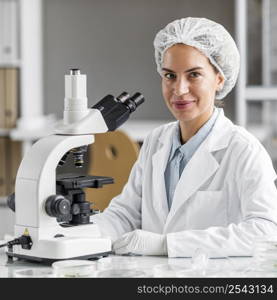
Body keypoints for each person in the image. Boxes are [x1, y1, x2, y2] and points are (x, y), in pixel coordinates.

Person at [91, 17, 277, 257]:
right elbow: (125, 214)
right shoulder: (156, 141)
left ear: (219, 78)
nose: (179, 89)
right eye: (169, 76)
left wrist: (167, 245)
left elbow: (266, 232)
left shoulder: (243, 149)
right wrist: (79, 238)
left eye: (194, 75)